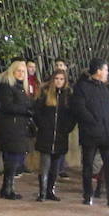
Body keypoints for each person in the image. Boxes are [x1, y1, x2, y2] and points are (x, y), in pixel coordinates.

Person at [71, 59, 109, 206]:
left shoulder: (104, 89)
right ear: (98, 71)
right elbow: (80, 108)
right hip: (91, 133)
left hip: (107, 133)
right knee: (88, 165)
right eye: (105, 70)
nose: (107, 73)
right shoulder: (82, 87)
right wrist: (93, 122)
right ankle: (87, 194)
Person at [0, 60, 35, 200]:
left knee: (16, 159)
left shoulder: (21, 87)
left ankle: (8, 187)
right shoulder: (7, 86)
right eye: (18, 70)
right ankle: (7, 188)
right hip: (10, 127)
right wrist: (26, 110)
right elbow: (7, 106)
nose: (21, 73)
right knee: (11, 158)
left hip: (19, 127)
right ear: (12, 71)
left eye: (23, 71)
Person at [33, 69, 72, 202]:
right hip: (46, 134)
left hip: (61, 135)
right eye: (56, 79)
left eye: (61, 79)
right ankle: (42, 192)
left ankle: (50, 190)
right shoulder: (45, 94)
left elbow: (72, 116)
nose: (59, 82)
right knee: (45, 165)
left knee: (55, 168)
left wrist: (67, 128)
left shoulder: (68, 96)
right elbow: (37, 112)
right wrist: (42, 125)